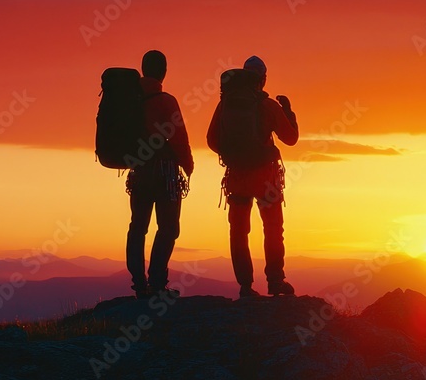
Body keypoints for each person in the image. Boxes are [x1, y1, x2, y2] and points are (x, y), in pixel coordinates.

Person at [207, 55, 298, 298]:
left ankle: (246, 286)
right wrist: (289, 113)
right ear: (263, 79)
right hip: (265, 177)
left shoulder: (225, 104)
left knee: (238, 231)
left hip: (237, 177)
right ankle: (275, 282)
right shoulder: (268, 106)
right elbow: (290, 139)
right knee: (272, 228)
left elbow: (212, 140)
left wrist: (233, 155)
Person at [125, 50, 194, 299]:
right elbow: (179, 137)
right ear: (164, 71)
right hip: (164, 171)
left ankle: (139, 284)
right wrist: (188, 164)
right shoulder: (166, 101)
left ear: (143, 69)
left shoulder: (128, 100)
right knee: (168, 227)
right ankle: (156, 283)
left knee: (138, 226)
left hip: (139, 171)